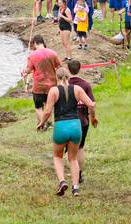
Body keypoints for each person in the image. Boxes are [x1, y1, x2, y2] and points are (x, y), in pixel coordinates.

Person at [38, 67, 97, 197]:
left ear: (56, 77)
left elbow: (47, 111)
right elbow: (91, 105)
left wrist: (41, 123)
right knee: (73, 158)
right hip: (76, 126)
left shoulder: (53, 91)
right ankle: (75, 188)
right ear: (69, 77)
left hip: (61, 126)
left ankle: (62, 181)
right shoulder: (77, 89)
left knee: (58, 156)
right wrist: (93, 117)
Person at [23, 35, 61, 127]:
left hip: (38, 86)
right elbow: (59, 67)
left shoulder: (32, 55)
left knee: (38, 107)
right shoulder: (53, 53)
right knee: (49, 105)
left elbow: (28, 71)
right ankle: (49, 124)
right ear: (42, 42)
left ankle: (42, 124)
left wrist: (25, 67)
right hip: (51, 84)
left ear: (35, 43)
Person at [67, 59, 95, 184]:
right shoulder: (86, 85)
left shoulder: (65, 85)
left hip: (68, 120)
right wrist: (93, 117)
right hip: (83, 120)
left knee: (70, 148)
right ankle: (79, 174)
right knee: (80, 147)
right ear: (80, 69)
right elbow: (91, 104)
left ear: (68, 70)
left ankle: (73, 172)